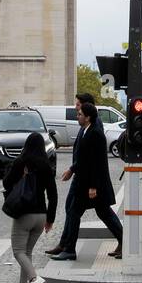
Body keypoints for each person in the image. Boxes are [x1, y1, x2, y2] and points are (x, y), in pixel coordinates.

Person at [50, 100, 123, 261]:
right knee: (103, 212)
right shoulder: (86, 130)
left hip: (90, 184)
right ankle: (124, 241)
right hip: (85, 182)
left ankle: (69, 249)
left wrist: (93, 186)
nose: (77, 116)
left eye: (80, 114)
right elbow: (83, 158)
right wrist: (72, 169)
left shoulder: (95, 133)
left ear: (88, 117)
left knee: (75, 213)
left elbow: (96, 162)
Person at [3, 131, 57, 283]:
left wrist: (18, 173)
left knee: (18, 251)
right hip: (41, 215)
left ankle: (34, 278)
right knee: (27, 252)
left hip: (24, 214)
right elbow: (53, 194)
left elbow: (6, 183)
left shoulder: (21, 162)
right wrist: (50, 219)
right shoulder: (46, 166)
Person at [46, 95, 89, 258]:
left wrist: (72, 169)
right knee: (71, 210)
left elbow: (89, 159)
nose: (76, 109)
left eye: (78, 106)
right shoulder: (85, 126)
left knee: (74, 211)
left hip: (85, 180)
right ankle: (65, 245)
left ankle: (68, 248)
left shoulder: (94, 129)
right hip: (81, 178)